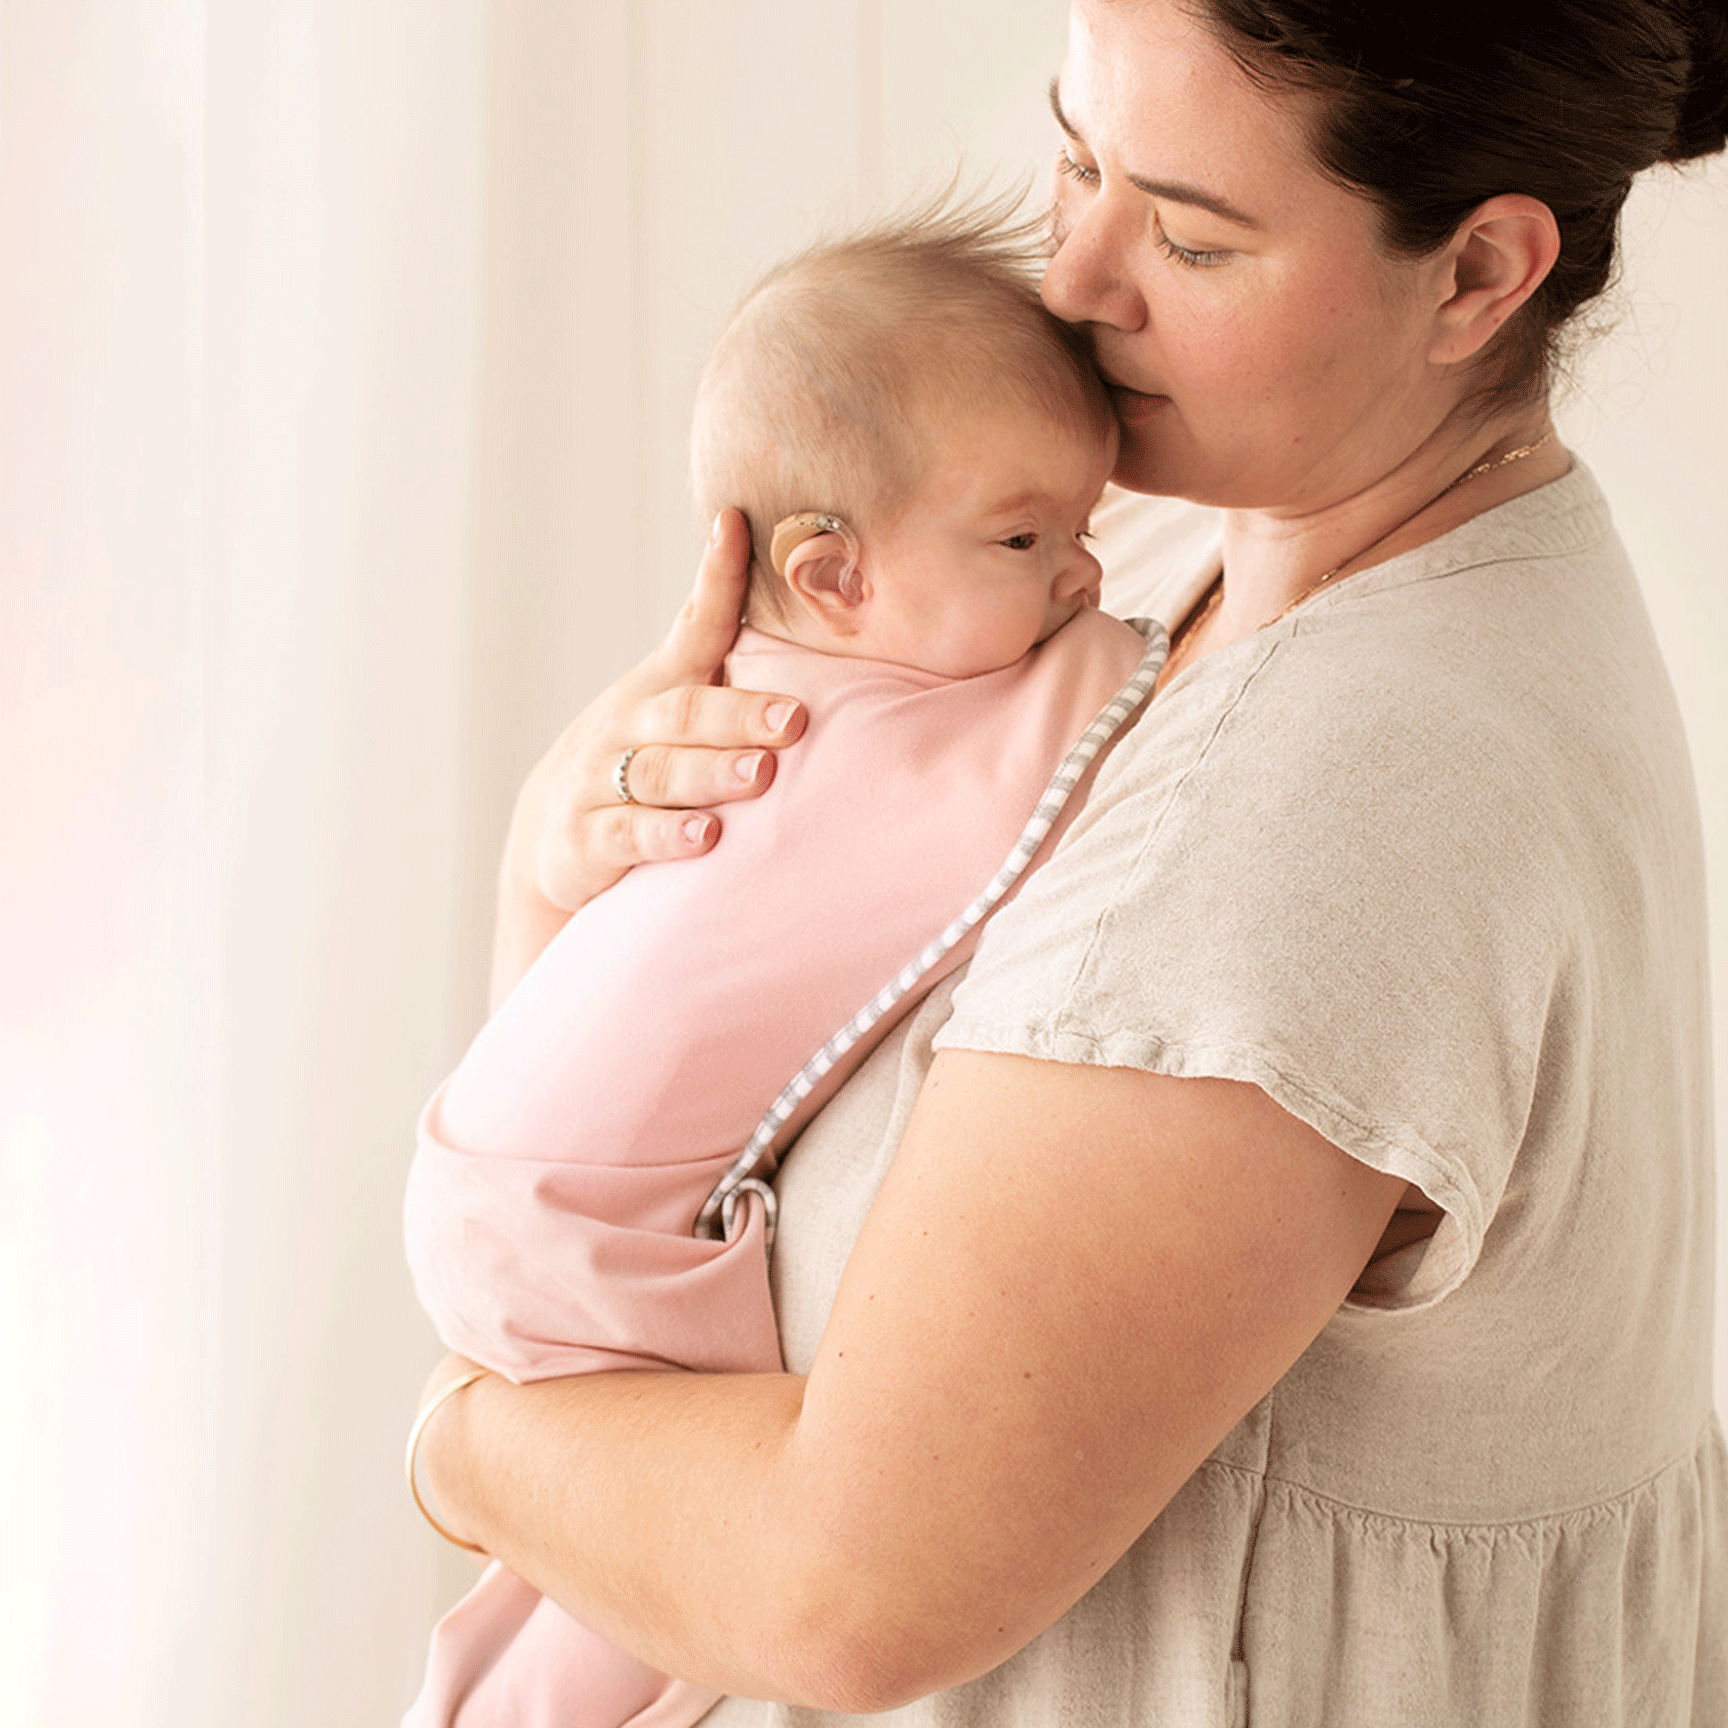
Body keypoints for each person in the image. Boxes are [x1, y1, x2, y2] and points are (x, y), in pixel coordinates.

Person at [410, 1, 1728, 1722]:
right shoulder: (1173, 563)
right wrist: (571, 867)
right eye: (1077, 159)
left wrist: (466, 1431)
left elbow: (843, 1594)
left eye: (1189, 233)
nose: (1079, 278)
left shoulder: (1320, 794)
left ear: (1478, 274)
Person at [400, 206, 1159, 1728]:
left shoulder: (768, 688)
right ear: (833, 579)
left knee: (582, 1545)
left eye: (1084, 534)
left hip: (505, 1167)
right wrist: (1160, 633)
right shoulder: (889, 741)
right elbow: (1102, 715)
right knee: (673, 1583)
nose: (1081, 577)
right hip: (585, 1221)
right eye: (1024, 538)